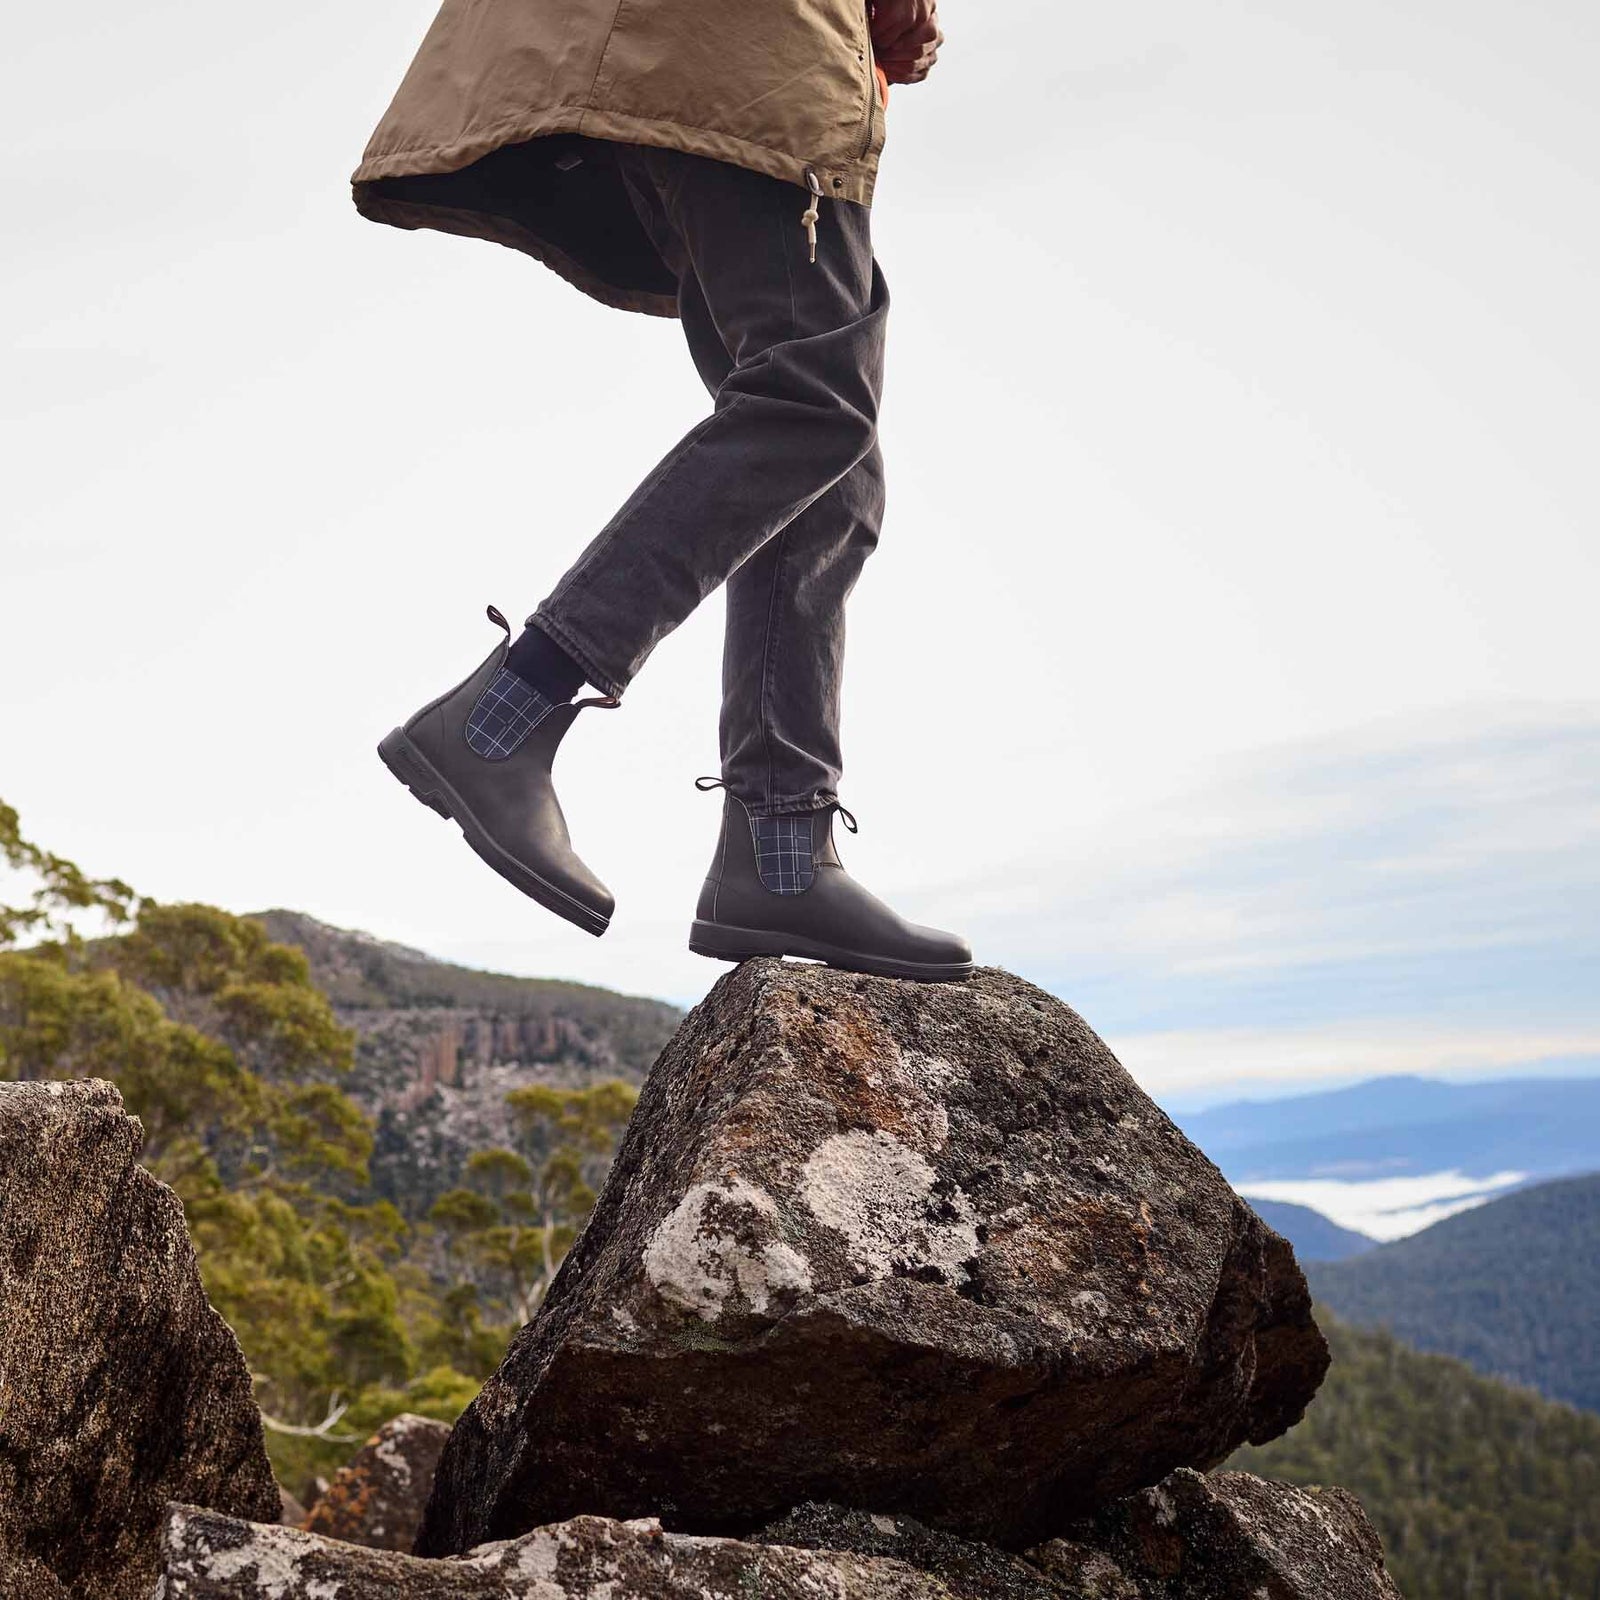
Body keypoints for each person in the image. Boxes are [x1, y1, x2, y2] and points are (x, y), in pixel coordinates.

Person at [355, 0, 971, 982]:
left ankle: (780, 852)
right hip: (740, 57)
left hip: (702, 64)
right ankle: (503, 715)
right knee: (811, 404)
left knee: (827, 474)